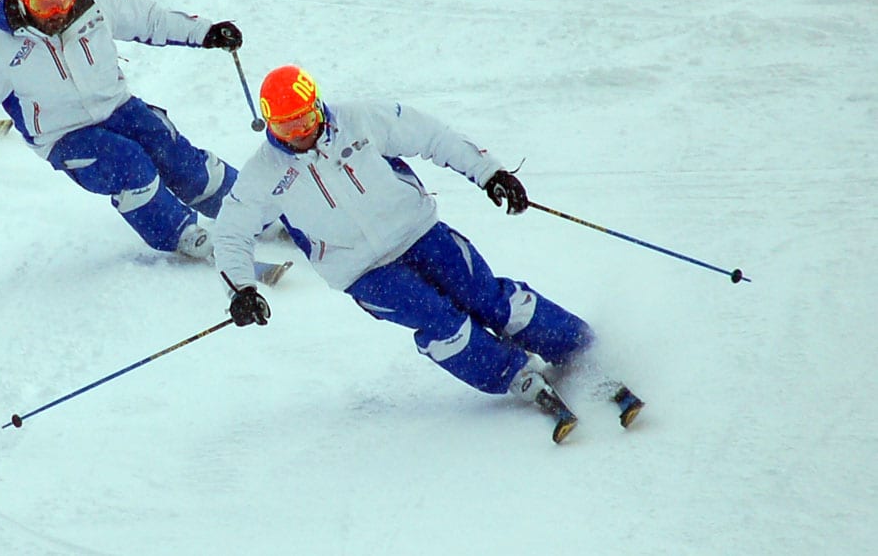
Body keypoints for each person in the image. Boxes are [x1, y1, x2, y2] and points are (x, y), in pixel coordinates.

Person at [212, 65, 644, 443]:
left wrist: (489, 173)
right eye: (287, 127)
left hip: (419, 231)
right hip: (361, 271)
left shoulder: (360, 120)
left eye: (305, 118)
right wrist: (241, 289)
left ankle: (579, 349)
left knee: (487, 298)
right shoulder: (264, 174)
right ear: (271, 126)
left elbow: (431, 135)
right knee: (441, 324)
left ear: (318, 106)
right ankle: (513, 375)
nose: (301, 132)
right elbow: (231, 233)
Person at [0, 0, 246, 258]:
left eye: (63, 0)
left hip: (118, 106)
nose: (57, 12)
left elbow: (150, 19)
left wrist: (205, 32)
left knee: (170, 150)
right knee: (127, 162)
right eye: (43, 6)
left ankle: (244, 206)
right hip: (64, 135)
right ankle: (181, 233)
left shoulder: (95, 3)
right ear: (22, 0)